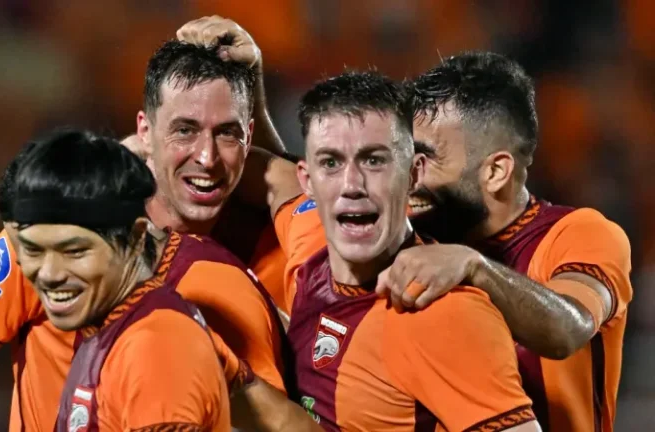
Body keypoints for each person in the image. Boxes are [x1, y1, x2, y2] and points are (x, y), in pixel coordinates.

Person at [0, 37, 290, 432]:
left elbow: (273, 421)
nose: (206, 156)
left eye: (226, 133)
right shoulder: (49, 226)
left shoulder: (228, 281)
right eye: (184, 130)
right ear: (145, 131)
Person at [238, 70, 541, 431]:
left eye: (374, 160)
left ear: (414, 174)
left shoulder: (442, 315)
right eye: (330, 163)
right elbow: (253, 169)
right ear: (307, 180)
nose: (351, 185)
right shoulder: (313, 245)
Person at [374, 52, 632, 432]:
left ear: (495, 171)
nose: (408, 176)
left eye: (425, 159)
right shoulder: (405, 238)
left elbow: (568, 329)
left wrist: (475, 268)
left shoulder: (578, 233)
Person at [9, 128, 231, 431]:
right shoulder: (114, 331)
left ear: (137, 238)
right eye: (33, 250)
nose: (49, 274)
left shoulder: (154, 344)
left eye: (74, 251)